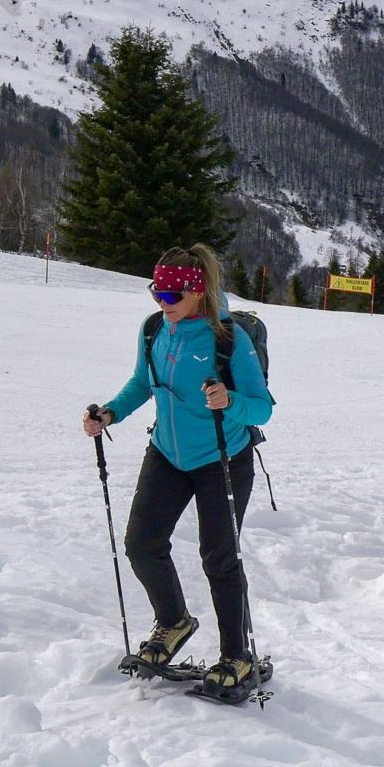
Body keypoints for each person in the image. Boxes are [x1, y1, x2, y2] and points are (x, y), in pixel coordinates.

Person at [83, 243, 272, 696]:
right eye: (156, 294)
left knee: (219, 558)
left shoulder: (228, 339)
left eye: (172, 297)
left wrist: (230, 402)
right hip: (167, 454)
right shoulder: (153, 331)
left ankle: (236, 655)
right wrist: (110, 413)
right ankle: (173, 622)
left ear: (198, 292)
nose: (162, 305)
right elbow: (141, 383)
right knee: (141, 544)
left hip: (222, 458)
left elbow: (262, 409)